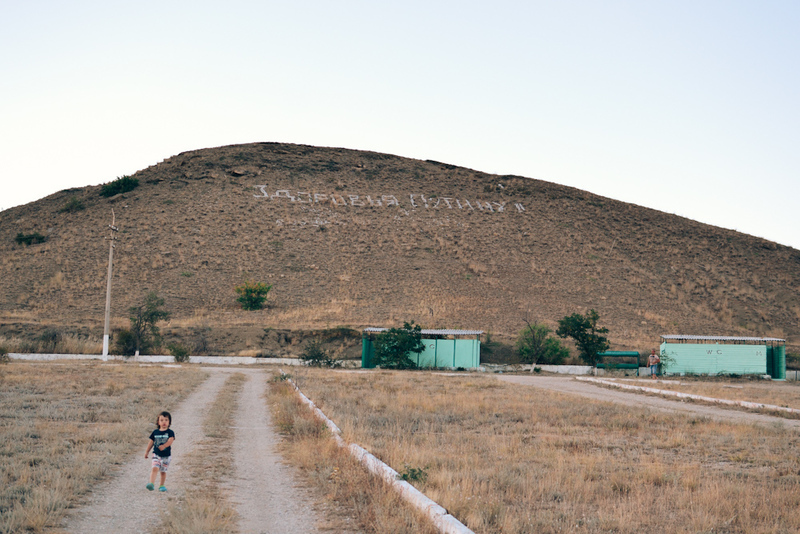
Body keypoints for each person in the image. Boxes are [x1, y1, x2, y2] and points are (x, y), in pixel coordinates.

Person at [145, 411, 175, 492]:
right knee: (155, 468)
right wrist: (147, 451)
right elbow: (151, 442)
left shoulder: (170, 432)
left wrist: (164, 446)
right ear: (158, 422)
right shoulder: (155, 432)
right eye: (161, 420)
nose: (164, 422)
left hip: (166, 456)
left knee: (163, 471)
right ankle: (151, 483)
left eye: (166, 420)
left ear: (169, 422)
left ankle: (162, 485)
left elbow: (170, 440)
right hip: (156, 454)